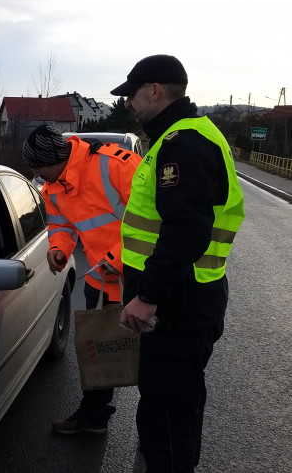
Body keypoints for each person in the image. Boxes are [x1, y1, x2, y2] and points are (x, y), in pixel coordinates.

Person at [111, 54, 245, 472]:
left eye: (131, 94)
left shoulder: (182, 143)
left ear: (154, 90)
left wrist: (148, 295)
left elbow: (187, 229)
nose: (127, 103)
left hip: (176, 305)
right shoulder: (179, 137)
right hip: (183, 300)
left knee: (169, 412)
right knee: (167, 405)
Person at [22, 124, 142, 434]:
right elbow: (61, 226)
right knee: (99, 356)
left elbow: (155, 220)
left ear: (54, 160)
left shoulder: (115, 165)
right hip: (101, 283)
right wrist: (59, 249)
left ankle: (156, 431)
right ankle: (93, 418)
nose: (36, 174)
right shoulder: (53, 187)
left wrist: (118, 259)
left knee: (154, 360)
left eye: (37, 167)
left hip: (144, 283)